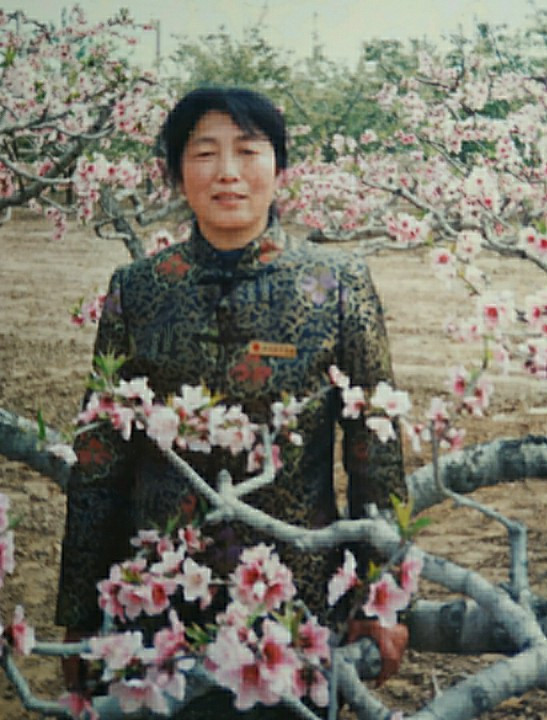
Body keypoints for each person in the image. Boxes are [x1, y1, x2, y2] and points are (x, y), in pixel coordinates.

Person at [56, 87, 408, 717]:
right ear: (175, 172)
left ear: (279, 168)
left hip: (292, 604)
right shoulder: (138, 289)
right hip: (155, 603)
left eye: (248, 151)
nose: (227, 172)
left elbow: (373, 450)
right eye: (204, 153)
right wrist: (82, 612)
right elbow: (100, 460)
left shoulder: (336, 285)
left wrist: (379, 596)